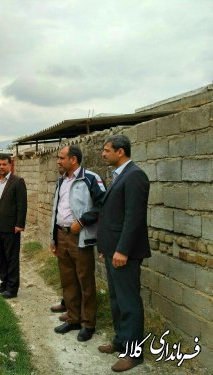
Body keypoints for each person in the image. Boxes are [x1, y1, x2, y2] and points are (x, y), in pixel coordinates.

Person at [97, 134, 150, 372]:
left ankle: (134, 353)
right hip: (113, 251)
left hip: (124, 253)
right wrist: (106, 249)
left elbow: (133, 218)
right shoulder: (120, 175)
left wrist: (121, 250)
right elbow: (112, 216)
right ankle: (121, 341)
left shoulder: (135, 175)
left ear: (121, 152)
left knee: (129, 302)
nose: (103, 154)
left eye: (107, 150)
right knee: (116, 299)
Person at [50, 145, 106, 342]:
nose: (58, 161)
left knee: (85, 281)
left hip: (80, 237)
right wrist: (53, 238)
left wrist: (82, 222)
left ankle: (88, 323)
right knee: (68, 280)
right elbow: (56, 209)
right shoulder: (61, 180)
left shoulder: (90, 178)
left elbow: (103, 204)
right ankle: (73, 318)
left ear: (73, 160)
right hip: (62, 236)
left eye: (61, 158)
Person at [0, 154, 27, 299]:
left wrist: (20, 224)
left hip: (11, 227)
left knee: (11, 258)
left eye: (4, 164)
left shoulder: (17, 182)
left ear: (10, 165)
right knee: (1, 256)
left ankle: (12, 288)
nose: (1, 167)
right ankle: (4, 283)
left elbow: (22, 205)